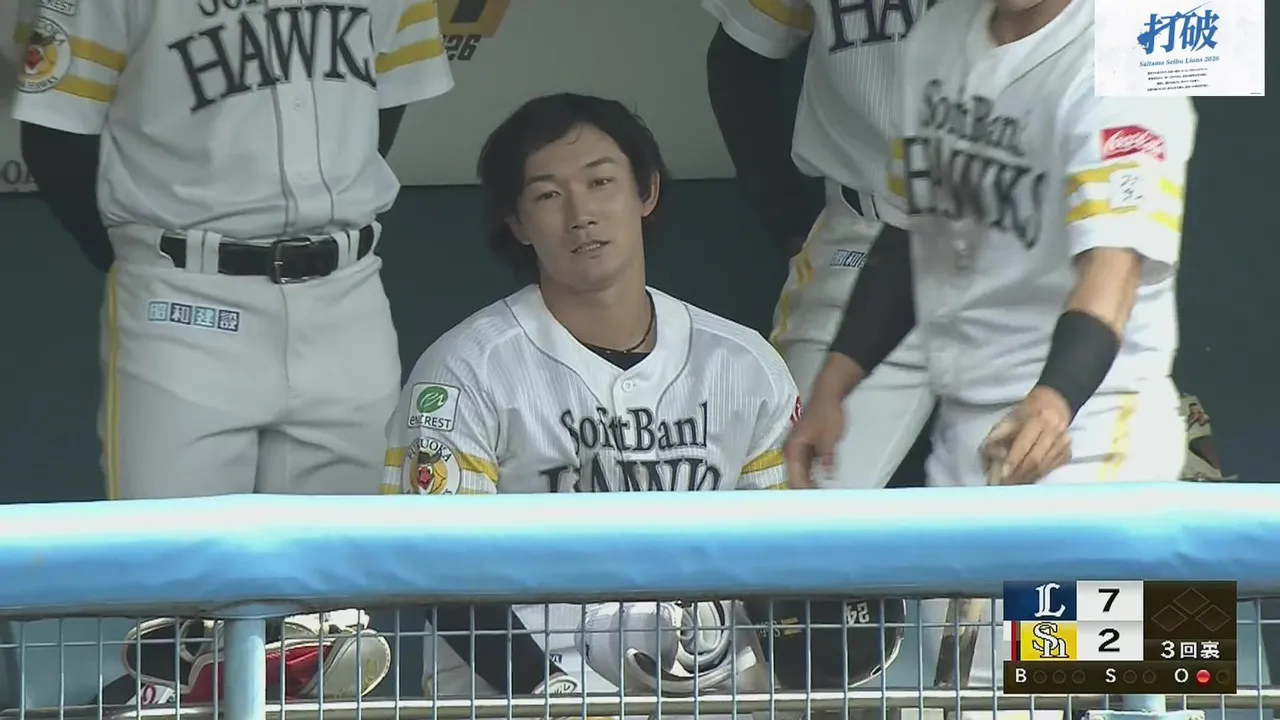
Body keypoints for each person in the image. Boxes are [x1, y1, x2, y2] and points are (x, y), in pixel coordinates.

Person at [382, 92, 902, 701]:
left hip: (710, 688)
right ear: (517, 223)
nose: (581, 213)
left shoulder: (743, 363)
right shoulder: (465, 369)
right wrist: (551, 693)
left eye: (601, 182)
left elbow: (780, 555)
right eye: (547, 195)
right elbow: (436, 567)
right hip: (519, 694)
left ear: (646, 192)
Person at [12, 0, 456, 697]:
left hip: (345, 287)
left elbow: (385, 104)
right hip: (185, 291)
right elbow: (53, 138)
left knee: (330, 604)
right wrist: (145, 259)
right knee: (174, 583)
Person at [784, 0, 1195, 701]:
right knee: (976, 685)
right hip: (973, 428)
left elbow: (1114, 270)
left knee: (1056, 672)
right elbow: (914, 231)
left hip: (1092, 424)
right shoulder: (940, 37)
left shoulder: (1125, 51)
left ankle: (1175, 668)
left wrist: (1055, 401)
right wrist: (834, 385)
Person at [702, 0, 937, 491]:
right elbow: (741, 57)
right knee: (792, 491)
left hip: (1027, 250)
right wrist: (787, 218)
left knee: (1058, 511)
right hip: (866, 230)